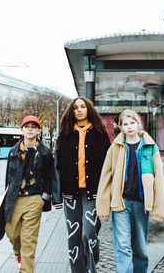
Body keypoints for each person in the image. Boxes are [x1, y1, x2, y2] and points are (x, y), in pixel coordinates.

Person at [96, 109, 164, 273]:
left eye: (132, 123)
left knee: (140, 247)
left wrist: (158, 207)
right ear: (120, 126)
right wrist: (103, 205)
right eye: (125, 124)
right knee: (123, 245)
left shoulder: (149, 147)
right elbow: (105, 177)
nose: (129, 127)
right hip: (121, 203)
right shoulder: (115, 148)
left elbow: (159, 179)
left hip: (141, 204)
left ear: (138, 123)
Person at [52, 97, 110, 273]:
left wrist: (108, 193)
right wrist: (57, 197)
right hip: (71, 194)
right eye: (75, 107)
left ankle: (92, 266)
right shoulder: (64, 135)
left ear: (88, 109)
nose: (79, 110)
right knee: (74, 238)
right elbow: (57, 166)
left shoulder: (100, 135)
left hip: (93, 193)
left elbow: (109, 166)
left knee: (88, 233)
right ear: (72, 111)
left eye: (82, 107)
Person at [4, 115, 54, 273]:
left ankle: (26, 269)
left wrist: (44, 197)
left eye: (34, 126)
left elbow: (50, 176)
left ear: (38, 130)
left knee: (28, 240)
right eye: (27, 126)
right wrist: (5, 200)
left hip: (34, 199)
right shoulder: (13, 151)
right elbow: (8, 177)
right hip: (15, 198)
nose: (30, 129)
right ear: (22, 130)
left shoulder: (45, 152)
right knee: (11, 233)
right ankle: (19, 254)